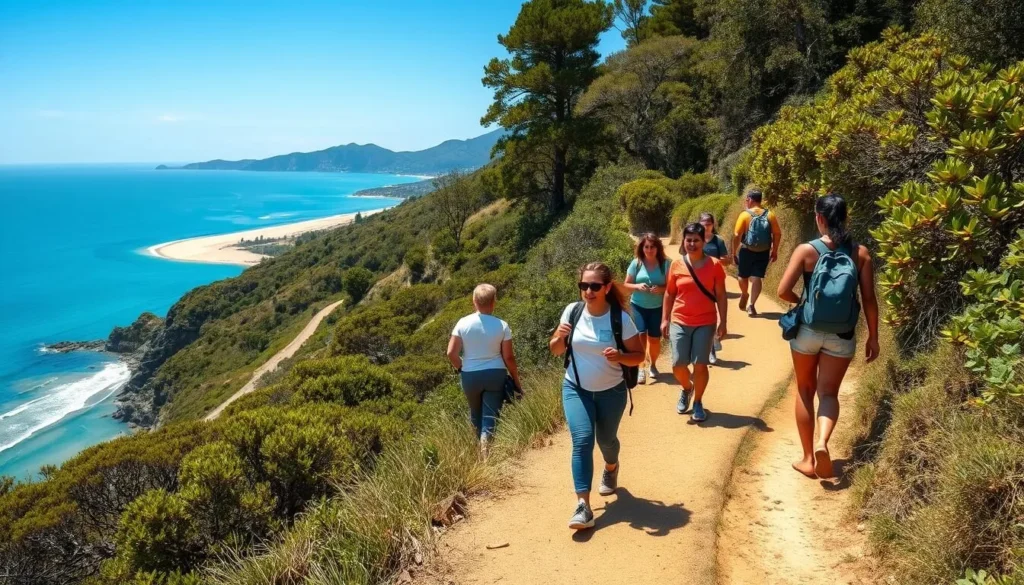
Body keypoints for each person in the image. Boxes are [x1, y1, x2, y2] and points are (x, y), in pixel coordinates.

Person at [777, 194, 879, 479]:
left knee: (805, 390)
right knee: (829, 393)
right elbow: (869, 299)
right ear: (845, 218)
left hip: (808, 332)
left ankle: (809, 459)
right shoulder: (860, 253)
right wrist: (874, 337)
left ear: (819, 217)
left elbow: (783, 290)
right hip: (842, 333)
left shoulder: (806, 251)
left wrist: (804, 301)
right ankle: (823, 441)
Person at [550, 262, 644, 530]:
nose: (588, 291)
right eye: (584, 286)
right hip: (575, 387)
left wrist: (620, 356)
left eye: (594, 286)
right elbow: (555, 350)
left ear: (606, 287)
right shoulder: (573, 311)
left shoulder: (620, 319)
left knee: (606, 439)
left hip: (611, 392)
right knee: (582, 440)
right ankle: (583, 506)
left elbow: (639, 356)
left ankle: (611, 466)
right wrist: (560, 338)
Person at [662, 223, 728, 423]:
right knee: (678, 365)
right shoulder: (676, 265)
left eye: (696, 240)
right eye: (688, 240)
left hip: (705, 322)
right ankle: (687, 388)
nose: (691, 244)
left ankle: (698, 401)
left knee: (700, 365)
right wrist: (664, 319)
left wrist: (723, 322)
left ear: (703, 241)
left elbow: (721, 295)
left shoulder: (715, 265)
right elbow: (669, 293)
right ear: (684, 241)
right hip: (680, 320)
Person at [447, 284, 522, 455]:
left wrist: (462, 368)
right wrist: (516, 380)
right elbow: (509, 357)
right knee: (490, 417)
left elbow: (451, 353)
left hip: (470, 375)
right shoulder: (502, 325)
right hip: (495, 374)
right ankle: (486, 452)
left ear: (474, 301)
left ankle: (477, 455)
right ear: (494, 302)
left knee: (475, 414)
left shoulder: (462, 323)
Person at [624, 234, 671, 383]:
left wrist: (661, 289)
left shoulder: (666, 264)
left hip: (657, 307)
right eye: (646, 247)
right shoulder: (636, 263)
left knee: (655, 339)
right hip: (638, 305)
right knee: (640, 335)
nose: (649, 250)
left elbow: (672, 287)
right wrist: (637, 286)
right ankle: (641, 368)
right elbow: (626, 285)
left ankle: (653, 365)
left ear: (658, 248)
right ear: (642, 248)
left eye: (652, 247)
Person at [732, 188, 782, 317]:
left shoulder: (744, 215)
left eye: (747, 200)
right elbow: (777, 233)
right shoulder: (770, 214)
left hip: (746, 250)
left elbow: (737, 235)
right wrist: (774, 250)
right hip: (764, 251)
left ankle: (744, 293)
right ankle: (752, 305)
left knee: (742, 276)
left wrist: (733, 252)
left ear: (750, 200)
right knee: (757, 277)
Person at [698, 212, 731, 364]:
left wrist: (714, 261)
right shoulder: (694, 239)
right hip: (697, 282)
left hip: (713, 283)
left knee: (710, 316)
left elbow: (726, 260)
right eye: (704, 222)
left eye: (709, 222)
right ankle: (705, 348)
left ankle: (711, 348)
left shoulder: (718, 241)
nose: (706, 225)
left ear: (713, 224)